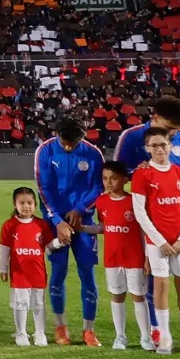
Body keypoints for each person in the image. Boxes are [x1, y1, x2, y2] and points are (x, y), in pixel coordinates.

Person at [114, 95, 180, 345]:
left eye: (176, 131)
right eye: (169, 129)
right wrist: (140, 171)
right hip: (144, 217)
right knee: (150, 272)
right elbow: (117, 173)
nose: (173, 136)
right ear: (154, 118)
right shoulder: (132, 137)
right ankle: (156, 326)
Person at [129, 126, 180, 355]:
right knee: (160, 287)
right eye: (154, 145)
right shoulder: (142, 175)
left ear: (171, 146)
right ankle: (166, 338)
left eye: (163, 144)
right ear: (147, 148)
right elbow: (140, 212)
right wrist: (159, 241)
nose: (159, 149)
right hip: (157, 242)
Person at [34, 110, 106, 346]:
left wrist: (79, 209)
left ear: (81, 138)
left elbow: (98, 186)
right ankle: (60, 326)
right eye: (64, 143)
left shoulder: (93, 154)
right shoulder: (44, 150)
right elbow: (44, 189)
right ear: (56, 135)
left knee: (87, 272)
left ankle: (89, 330)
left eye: (72, 144)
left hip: (83, 221)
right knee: (58, 272)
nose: (67, 148)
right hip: (55, 221)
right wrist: (58, 221)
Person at [95, 160, 147, 349]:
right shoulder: (101, 201)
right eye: (105, 179)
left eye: (113, 178)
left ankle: (145, 338)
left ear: (125, 179)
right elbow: (104, 227)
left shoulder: (134, 201)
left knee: (138, 296)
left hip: (134, 257)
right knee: (117, 295)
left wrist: (147, 257)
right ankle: (120, 336)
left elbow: (143, 230)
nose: (108, 183)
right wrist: (82, 228)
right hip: (112, 258)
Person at [0, 186, 52, 346]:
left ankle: (40, 333)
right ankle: (21, 333)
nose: (26, 206)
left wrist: (61, 240)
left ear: (35, 204)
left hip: (38, 271)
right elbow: (4, 249)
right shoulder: (9, 226)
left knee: (38, 302)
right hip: (19, 272)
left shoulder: (41, 225)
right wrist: (3, 268)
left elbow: (49, 245)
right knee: (21, 302)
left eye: (29, 202)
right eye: (22, 203)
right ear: (15, 204)